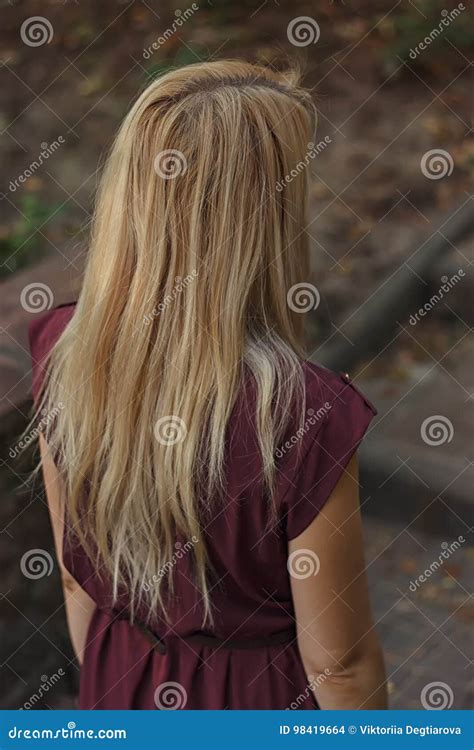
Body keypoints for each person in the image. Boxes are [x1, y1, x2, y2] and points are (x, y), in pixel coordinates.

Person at [29, 60, 387, 710]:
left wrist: (111, 689)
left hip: (119, 673)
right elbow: (341, 666)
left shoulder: (64, 350)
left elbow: (76, 577)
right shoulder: (308, 418)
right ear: (265, 218)